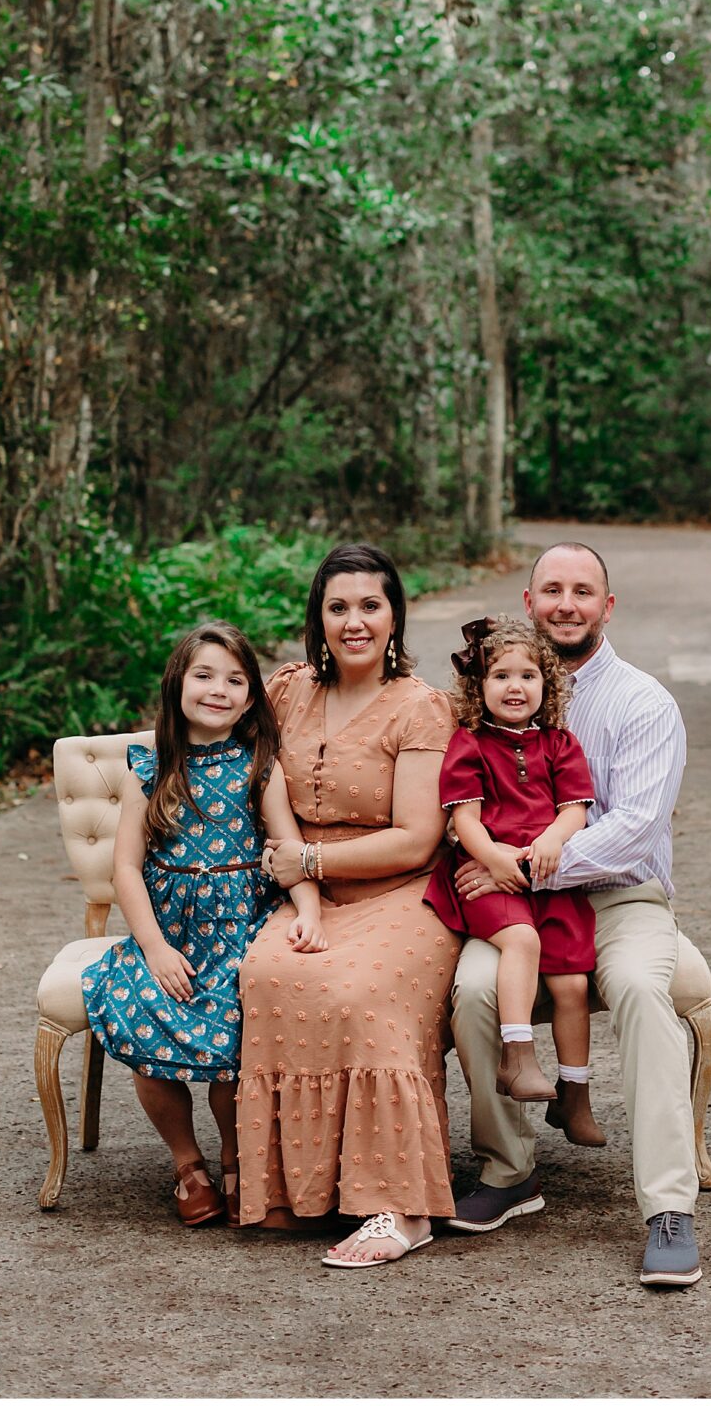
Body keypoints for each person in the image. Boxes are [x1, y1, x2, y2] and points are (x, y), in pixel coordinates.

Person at [448, 542, 709, 1289]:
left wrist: (518, 860)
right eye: (552, 589)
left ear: (607, 606)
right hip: (512, 899)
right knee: (470, 990)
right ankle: (511, 1166)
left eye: (583, 591)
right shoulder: (490, 689)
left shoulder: (642, 702)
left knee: (638, 987)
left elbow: (634, 826)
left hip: (618, 894)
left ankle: (668, 1208)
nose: (567, 603)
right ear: (528, 602)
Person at [236, 543, 460, 1268]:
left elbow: (419, 839)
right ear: (318, 618)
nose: (354, 621)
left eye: (370, 605)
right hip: (307, 896)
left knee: (360, 992)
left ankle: (403, 1207)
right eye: (338, 607)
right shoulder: (287, 693)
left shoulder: (422, 708)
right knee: (269, 975)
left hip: (404, 895)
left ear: (395, 616)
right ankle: (298, 1193)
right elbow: (215, 745)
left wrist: (311, 858)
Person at [81, 620, 326, 1228]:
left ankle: (238, 1155)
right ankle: (187, 1163)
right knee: (141, 1005)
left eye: (236, 679)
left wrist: (311, 911)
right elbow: (127, 870)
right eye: (205, 675)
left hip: (242, 924)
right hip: (170, 933)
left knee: (232, 1028)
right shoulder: (152, 767)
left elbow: (289, 849)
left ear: (250, 697)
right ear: (178, 684)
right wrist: (156, 949)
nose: (219, 689)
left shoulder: (260, 766)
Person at [423, 615, 605, 1145]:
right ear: (479, 687)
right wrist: (494, 859)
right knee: (521, 941)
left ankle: (575, 1094)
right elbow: (465, 819)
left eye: (528, 676)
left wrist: (552, 838)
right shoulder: (470, 743)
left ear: (545, 685)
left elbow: (575, 808)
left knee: (572, 983)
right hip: (489, 878)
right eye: (500, 675)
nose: (515, 686)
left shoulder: (559, 743)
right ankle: (517, 1054)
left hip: (547, 877)